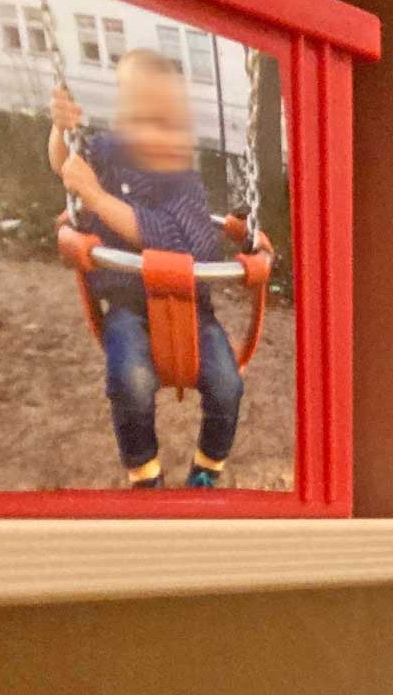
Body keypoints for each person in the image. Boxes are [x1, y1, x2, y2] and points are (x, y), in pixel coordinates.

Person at [49, 52, 244, 488]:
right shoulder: (107, 153)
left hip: (192, 309)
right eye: (137, 115)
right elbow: (65, 167)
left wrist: (97, 200)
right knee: (130, 381)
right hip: (126, 304)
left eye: (164, 120)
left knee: (227, 385)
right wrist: (60, 131)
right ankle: (145, 473)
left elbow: (172, 240)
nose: (151, 131)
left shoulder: (184, 181)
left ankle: (207, 468)